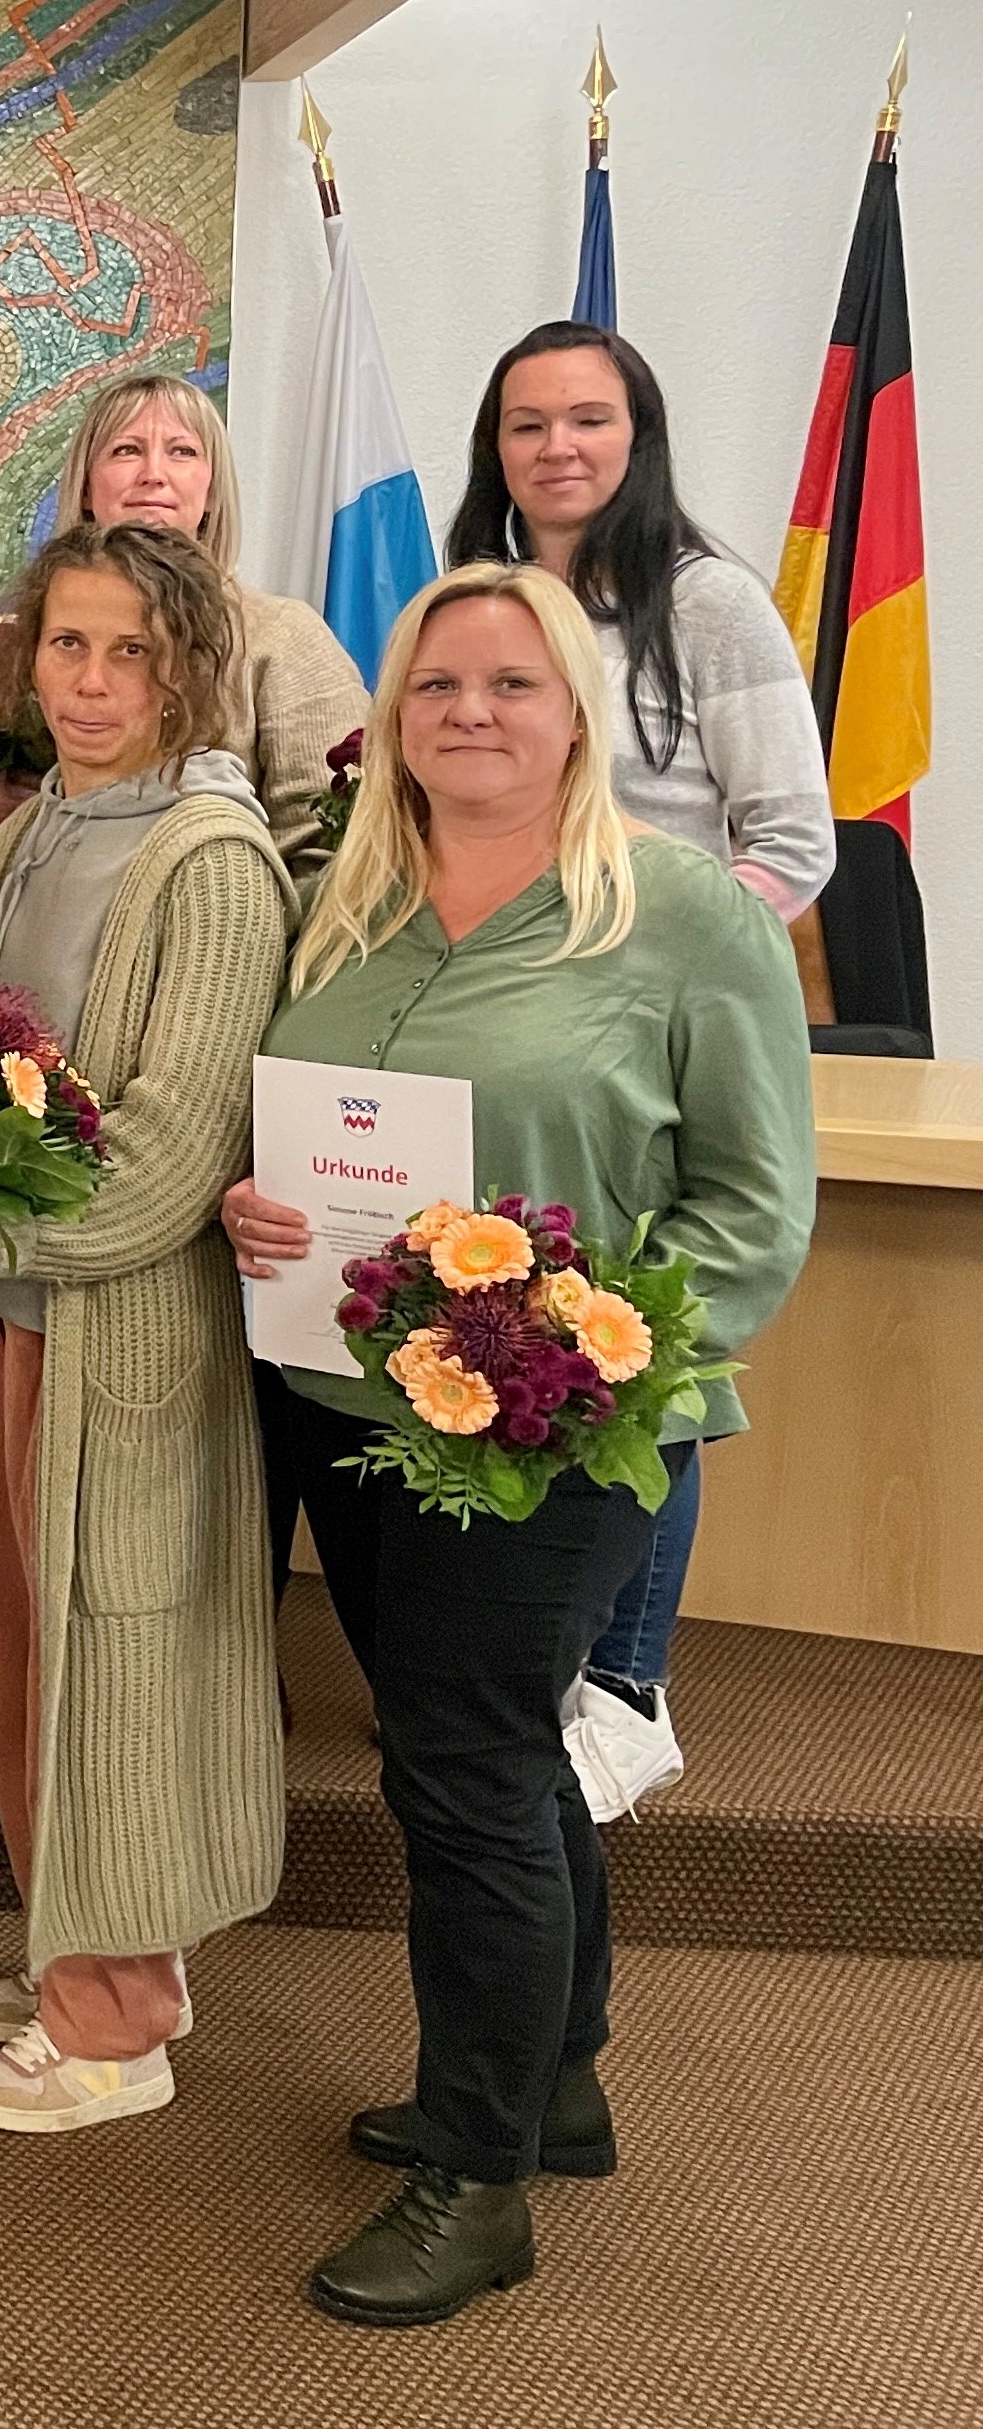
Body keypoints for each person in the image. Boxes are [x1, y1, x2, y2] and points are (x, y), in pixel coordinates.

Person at [221, 560, 814, 2325]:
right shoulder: (348, 897)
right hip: (350, 1410)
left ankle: (474, 2178)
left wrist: (584, 1355)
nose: (469, 713)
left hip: (562, 1438)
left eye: (510, 683)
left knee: (465, 1766)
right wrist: (260, 1203)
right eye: (436, 685)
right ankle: (552, 2076)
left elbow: (755, 1210)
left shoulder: (684, 912)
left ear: (575, 708)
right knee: (477, 1743)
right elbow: (303, 1124)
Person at [0, 519, 292, 2136]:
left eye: (130, 650)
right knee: (18, 1639)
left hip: (104, 1326)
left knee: (104, 1651)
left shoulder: (210, 857)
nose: (95, 679)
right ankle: (88, 1947)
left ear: (187, 663)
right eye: (68, 645)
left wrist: (6, 1223)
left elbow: (181, 1134)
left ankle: (111, 2020)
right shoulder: (44, 817)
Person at [446, 321, 836, 1816]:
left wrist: (661, 963)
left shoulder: (709, 604)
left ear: (636, 435)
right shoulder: (484, 608)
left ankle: (621, 1673)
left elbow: (790, 841)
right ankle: (528, 1654)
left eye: (587, 419)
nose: (556, 447)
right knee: (514, 1316)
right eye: (526, 421)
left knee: (641, 1340)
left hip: (653, 1027)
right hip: (512, 1023)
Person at [36, 373, 370, 870]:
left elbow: (329, 844)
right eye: (126, 450)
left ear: (212, 491)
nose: (153, 474)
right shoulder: (37, 632)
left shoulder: (283, 636)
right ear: (86, 486)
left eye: (182, 452)